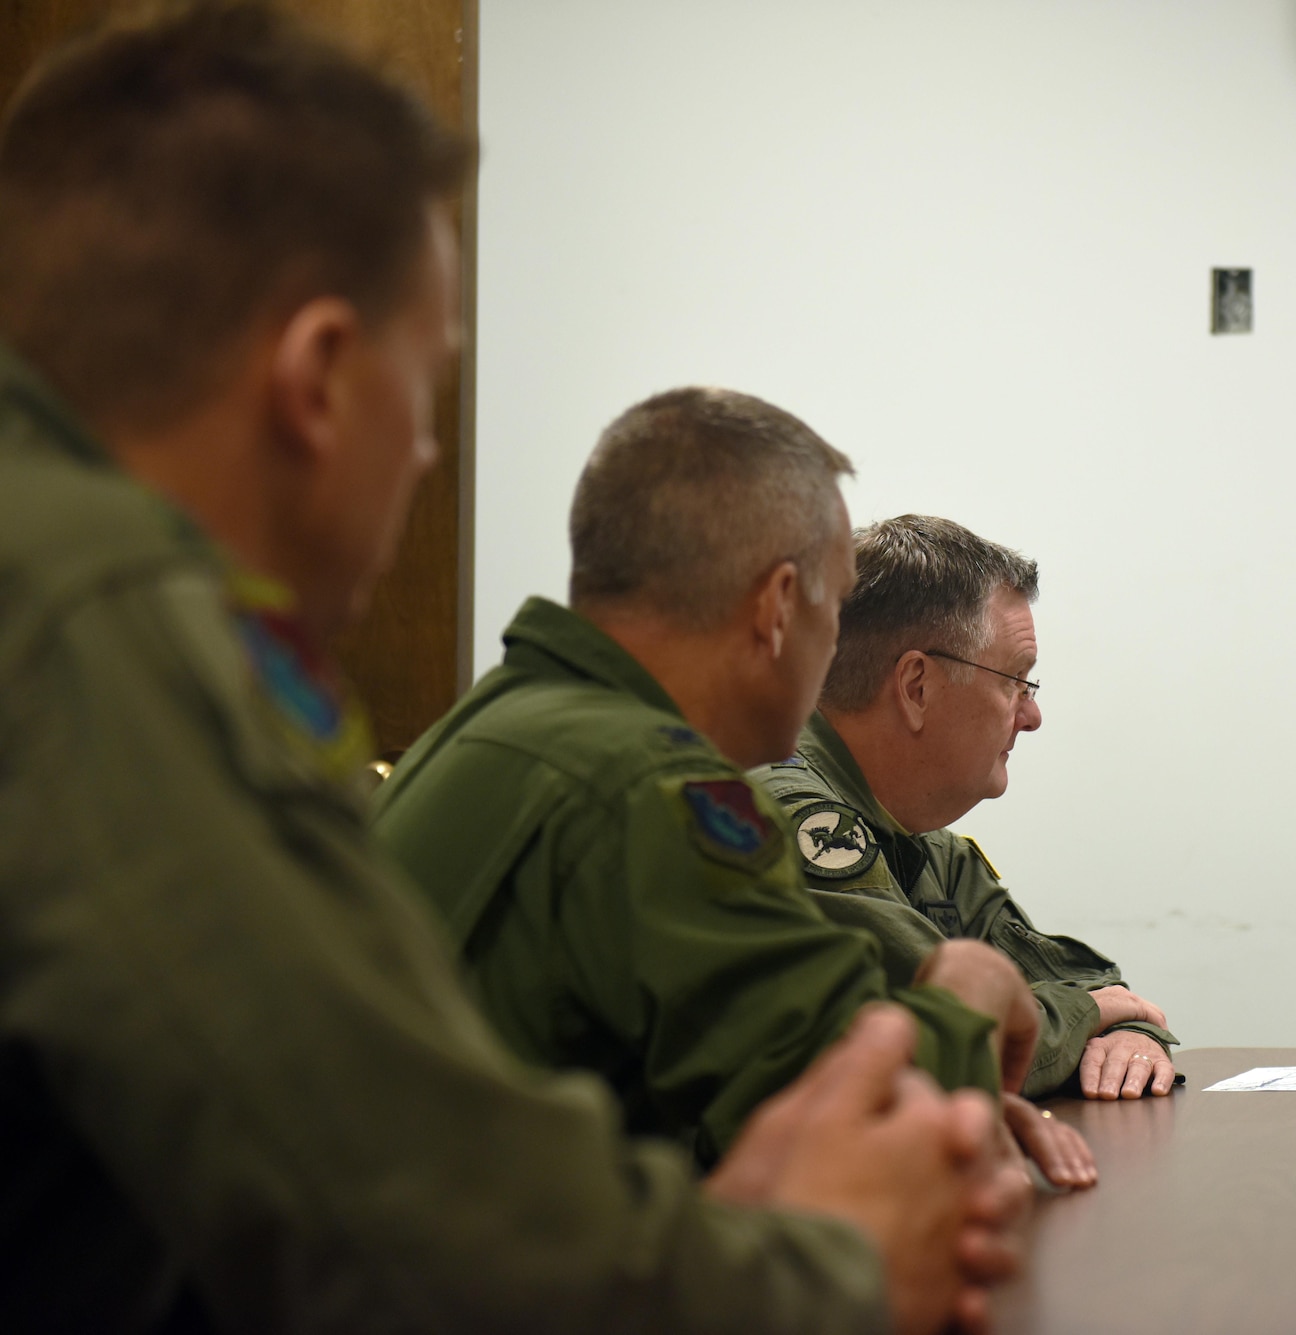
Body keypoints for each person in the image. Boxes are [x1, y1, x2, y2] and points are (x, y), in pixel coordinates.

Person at [0, 7, 1024, 1331]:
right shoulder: (95, 611)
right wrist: (822, 1262)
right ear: (318, 377)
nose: (423, 452)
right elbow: (395, 1212)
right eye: (423, 387)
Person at [370, 390, 1096, 1188]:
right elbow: (861, 1112)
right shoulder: (655, 793)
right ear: (779, 608)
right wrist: (974, 992)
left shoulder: (483, 728)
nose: (835, 657)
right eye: (835, 608)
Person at [753, 515, 1180, 1100]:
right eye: (1015, 682)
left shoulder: (922, 841)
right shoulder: (793, 819)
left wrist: (1130, 1032)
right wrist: (1086, 1014)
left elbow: (1081, 982)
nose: (1031, 717)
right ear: (917, 687)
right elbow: (948, 1057)